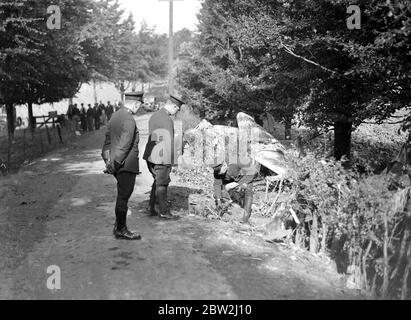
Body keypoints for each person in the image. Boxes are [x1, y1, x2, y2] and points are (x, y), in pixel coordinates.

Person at [102, 92, 144, 240]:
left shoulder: (115, 115)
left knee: (122, 195)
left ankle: (118, 226)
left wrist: (107, 160)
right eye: (139, 105)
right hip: (126, 164)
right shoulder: (129, 119)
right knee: (123, 197)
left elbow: (107, 141)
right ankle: (121, 229)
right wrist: (115, 164)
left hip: (116, 163)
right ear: (135, 104)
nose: (139, 108)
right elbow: (124, 145)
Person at [143, 94, 183, 219]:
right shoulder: (166, 119)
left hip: (151, 155)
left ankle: (151, 208)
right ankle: (164, 212)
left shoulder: (155, 115)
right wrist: (172, 162)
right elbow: (168, 142)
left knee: (157, 181)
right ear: (172, 106)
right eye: (177, 109)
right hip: (161, 156)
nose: (176, 112)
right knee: (162, 183)